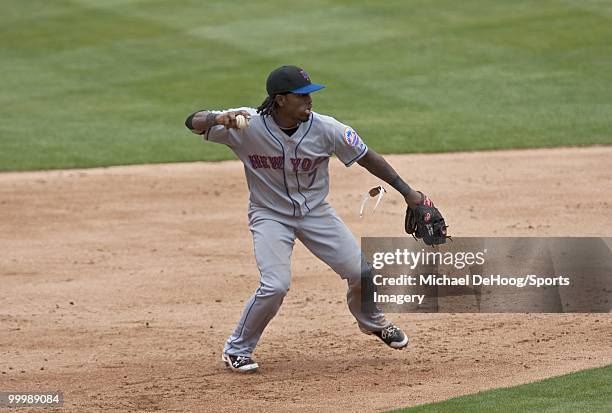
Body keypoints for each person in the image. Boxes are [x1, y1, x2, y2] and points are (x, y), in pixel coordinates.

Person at [185, 65, 434, 373]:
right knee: (275, 286)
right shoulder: (246, 124)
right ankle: (237, 349)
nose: (309, 101)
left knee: (362, 272)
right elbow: (192, 121)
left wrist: (408, 192)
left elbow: (368, 156)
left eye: (310, 94)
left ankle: (372, 322)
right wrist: (216, 118)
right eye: (301, 96)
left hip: (316, 213)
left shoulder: (327, 129)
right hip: (269, 215)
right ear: (279, 100)